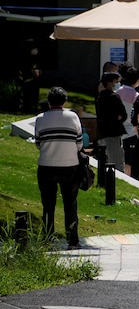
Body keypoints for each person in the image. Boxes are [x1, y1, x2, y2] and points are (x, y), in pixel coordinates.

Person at [35, 87, 83, 249]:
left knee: (48, 205)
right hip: (69, 165)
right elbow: (79, 143)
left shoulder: (41, 118)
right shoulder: (73, 116)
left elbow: (38, 144)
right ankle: (73, 241)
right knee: (70, 203)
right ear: (65, 101)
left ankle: (48, 239)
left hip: (46, 165)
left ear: (49, 102)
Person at [95, 71, 127, 169]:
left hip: (102, 134)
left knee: (105, 161)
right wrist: (117, 118)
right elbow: (123, 115)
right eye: (116, 81)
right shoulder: (114, 97)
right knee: (117, 163)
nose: (117, 84)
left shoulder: (99, 98)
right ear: (109, 82)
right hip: (113, 134)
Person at [117, 64, 139, 175]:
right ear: (136, 80)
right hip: (132, 131)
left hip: (119, 130)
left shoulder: (117, 92)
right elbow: (138, 116)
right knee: (131, 159)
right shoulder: (136, 95)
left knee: (122, 157)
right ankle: (131, 178)